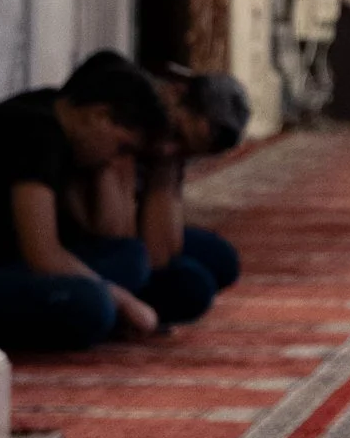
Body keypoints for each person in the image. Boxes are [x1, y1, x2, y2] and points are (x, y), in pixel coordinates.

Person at [0, 54, 186, 356]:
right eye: (121, 147)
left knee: (132, 258)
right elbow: (43, 253)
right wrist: (118, 297)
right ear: (100, 116)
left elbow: (106, 230)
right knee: (95, 306)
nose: (115, 159)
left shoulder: (58, 116)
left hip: (21, 261)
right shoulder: (35, 133)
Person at [79, 66, 250, 298]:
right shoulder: (122, 122)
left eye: (186, 153)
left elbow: (161, 254)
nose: (168, 149)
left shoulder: (167, 151)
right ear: (175, 93)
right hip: (83, 234)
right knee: (183, 283)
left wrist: (167, 168)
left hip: (126, 238)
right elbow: (116, 237)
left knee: (220, 260)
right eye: (177, 135)